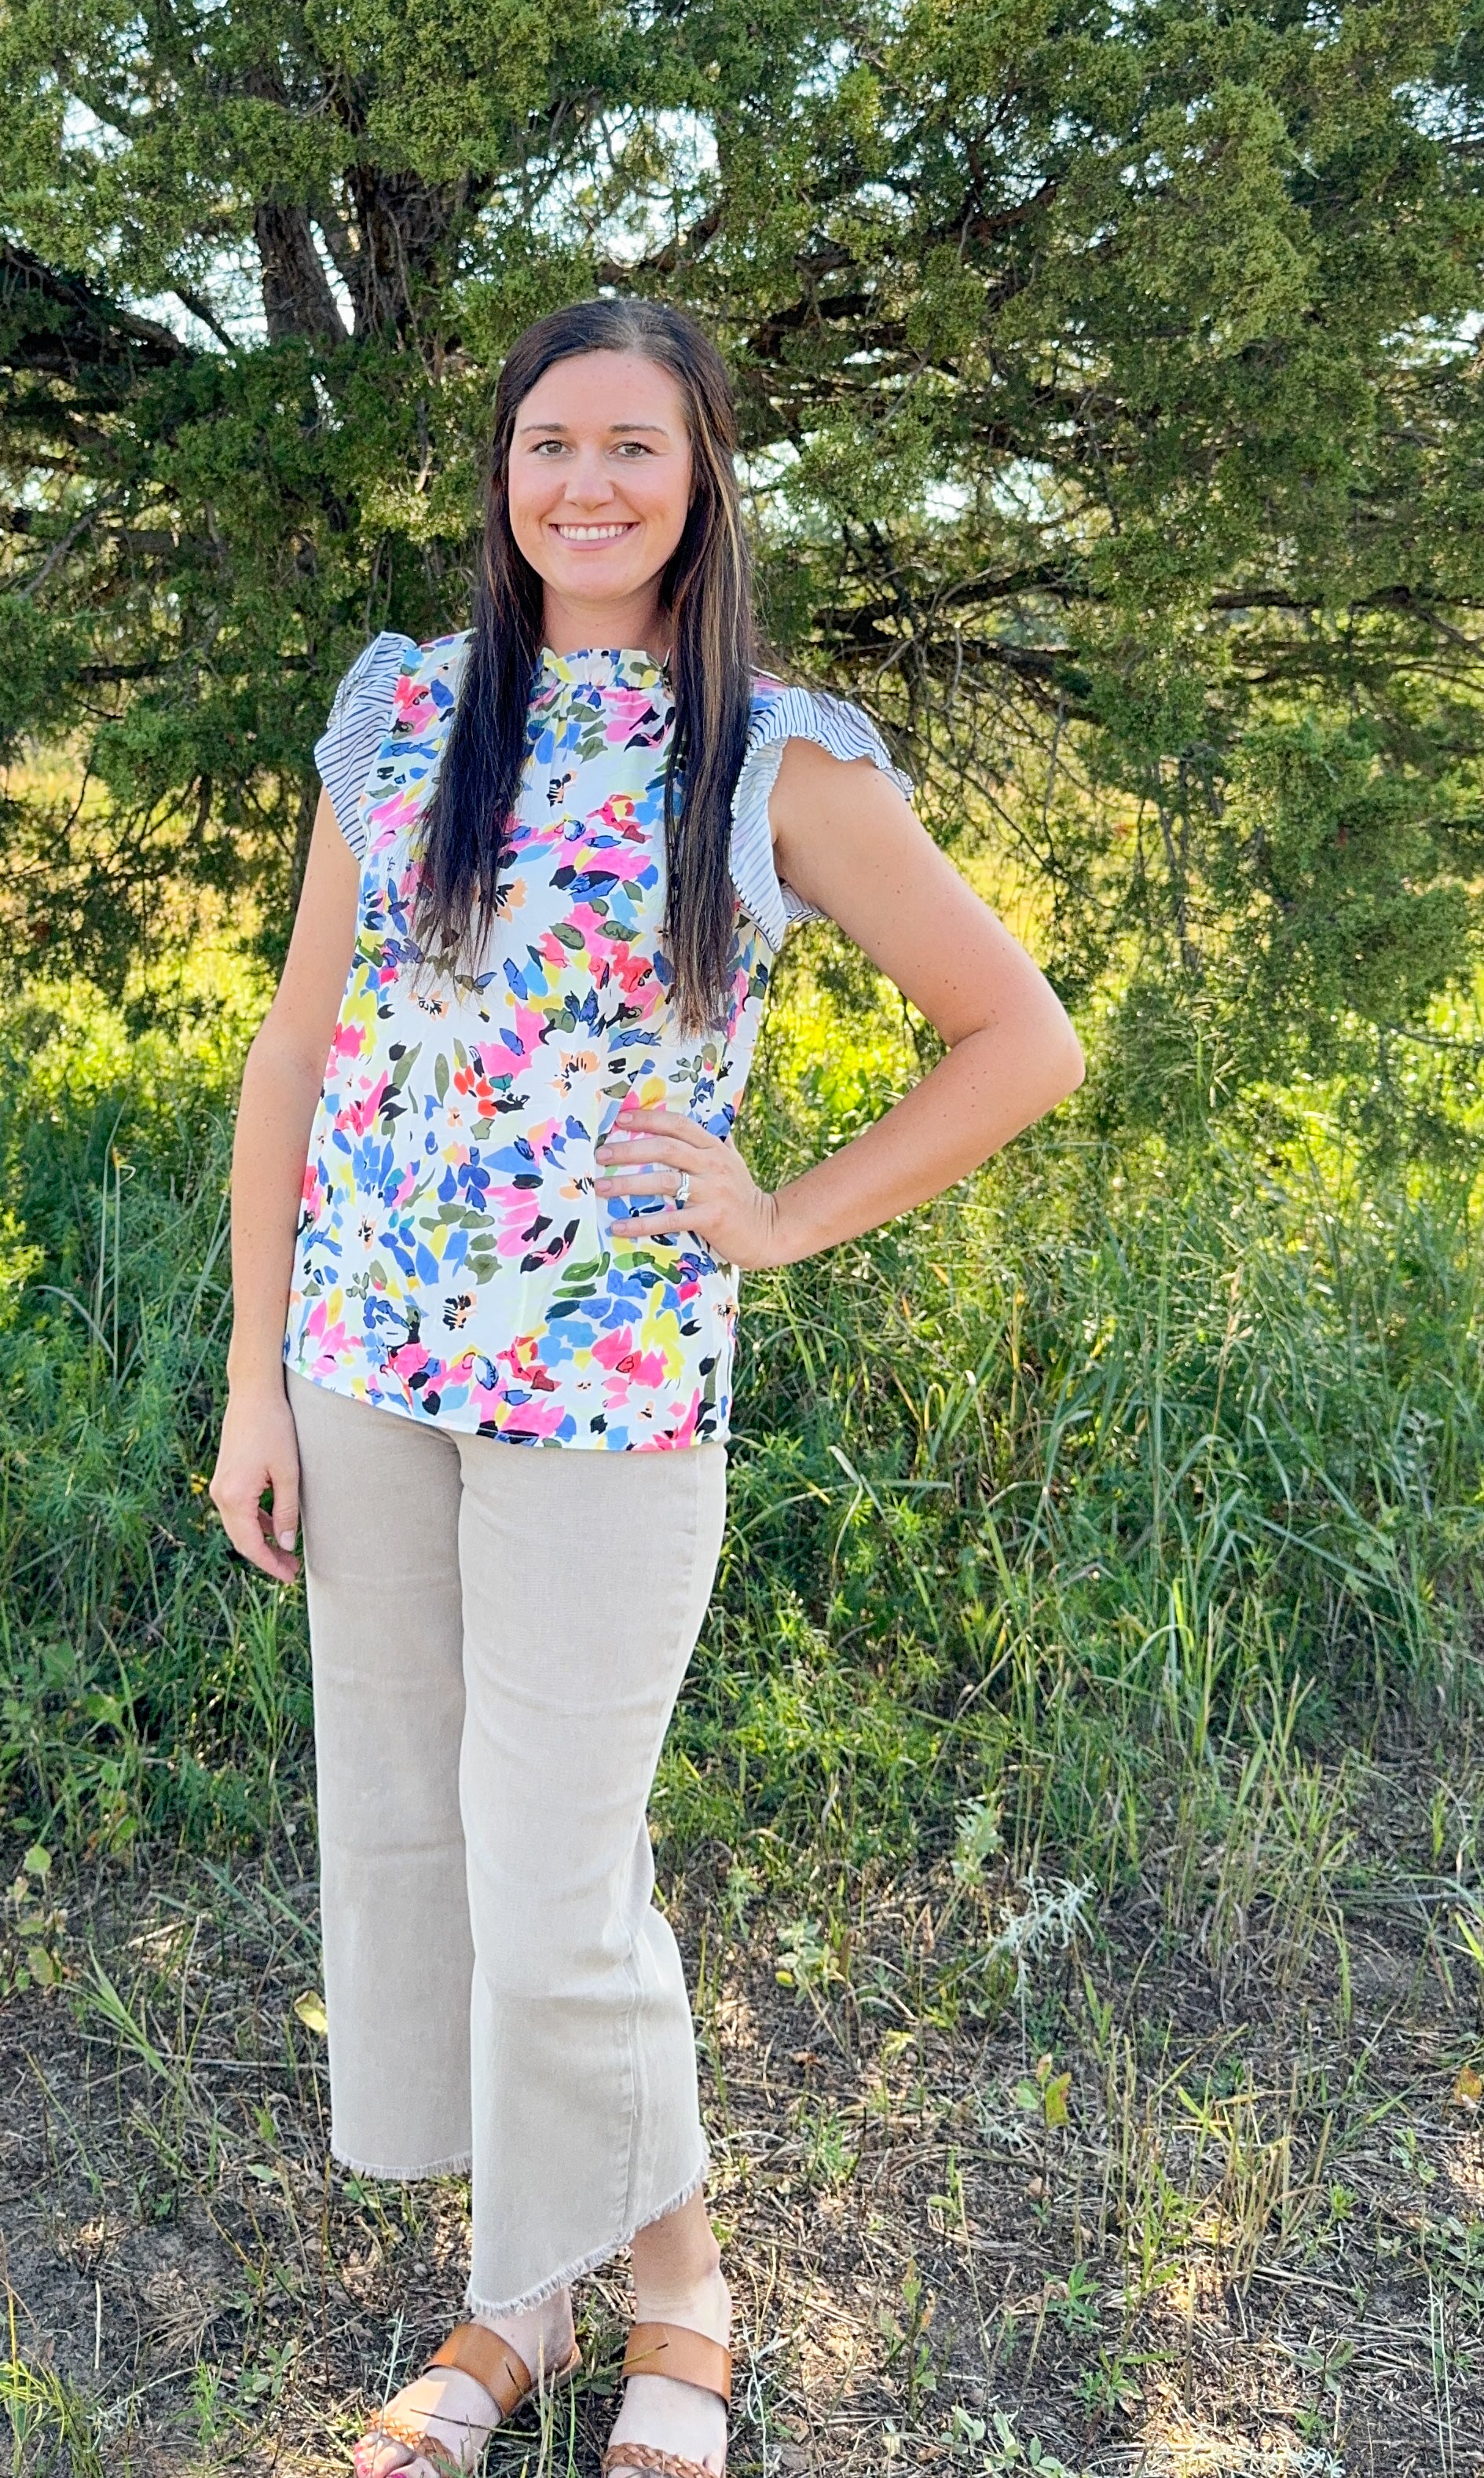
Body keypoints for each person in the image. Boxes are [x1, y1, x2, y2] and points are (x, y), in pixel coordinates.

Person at [210, 296, 1085, 2478]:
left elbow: (1022, 1038)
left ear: (700, 482)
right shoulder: (402, 717)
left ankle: (675, 2291)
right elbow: (297, 1050)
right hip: (370, 1372)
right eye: (546, 443)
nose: (584, 483)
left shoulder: (776, 756)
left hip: (608, 1394)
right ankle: (517, 2301)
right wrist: (255, 1370)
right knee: (428, 1847)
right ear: (502, 474)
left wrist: (781, 1213)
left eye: (633, 447)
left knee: (561, 1869)